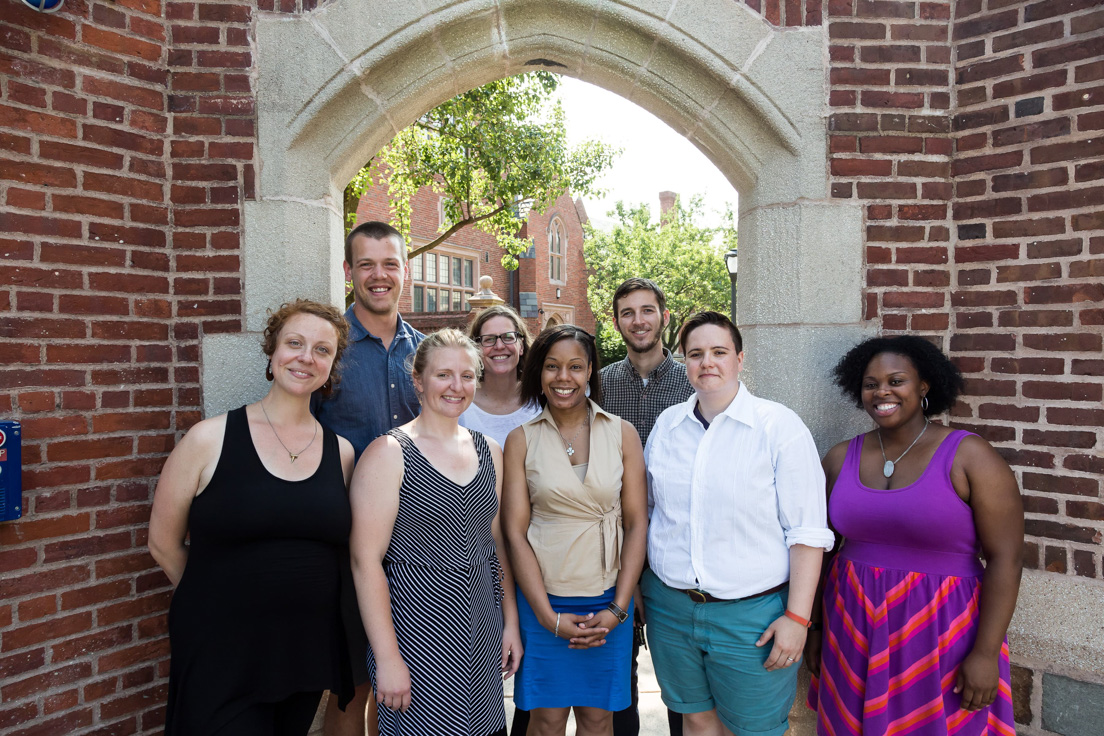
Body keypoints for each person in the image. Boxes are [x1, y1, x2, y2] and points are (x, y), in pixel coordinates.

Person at [149, 299, 356, 736]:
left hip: (303, 649)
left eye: (322, 350)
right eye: (294, 343)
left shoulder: (341, 452)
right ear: (272, 352)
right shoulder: (209, 438)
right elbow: (163, 543)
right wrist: (219, 601)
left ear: (332, 366)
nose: (306, 357)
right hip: (221, 647)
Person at [806, 335, 1023, 735]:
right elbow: (819, 551)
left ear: (924, 387)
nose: (881, 392)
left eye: (896, 380)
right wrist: (815, 628)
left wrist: (986, 652)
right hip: (853, 626)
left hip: (942, 628)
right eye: (870, 384)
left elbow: (1006, 558)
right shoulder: (840, 457)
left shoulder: (969, 455)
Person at [642, 311, 833, 736]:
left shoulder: (778, 427)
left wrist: (799, 619)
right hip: (671, 608)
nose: (707, 362)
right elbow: (652, 513)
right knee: (696, 721)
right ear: (684, 361)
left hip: (752, 617)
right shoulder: (667, 426)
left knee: (755, 730)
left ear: (740, 359)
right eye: (695, 354)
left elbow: (807, 533)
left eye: (718, 352)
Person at [349, 328, 522, 736]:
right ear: (418, 380)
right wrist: (388, 657)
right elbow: (364, 562)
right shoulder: (389, 453)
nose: (456, 386)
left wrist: (509, 622)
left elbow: (496, 548)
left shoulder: (488, 451)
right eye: (444, 375)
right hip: (415, 641)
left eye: (467, 376)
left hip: (480, 635)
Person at [503, 325, 649, 736]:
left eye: (575, 367)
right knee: (546, 720)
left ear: (590, 372)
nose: (563, 377)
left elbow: (637, 523)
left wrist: (619, 608)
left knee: (597, 717)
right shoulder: (521, 440)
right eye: (551, 367)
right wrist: (549, 618)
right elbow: (515, 533)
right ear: (538, 373)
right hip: (543, 599)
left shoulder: (622, 433)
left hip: (608, 600)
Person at [315, 220, 426, 736]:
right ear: (348, 272)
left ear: (405, 269)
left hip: (421, 546)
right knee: (353, 690)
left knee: (408, 688)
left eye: (389, 264)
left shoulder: (426, 354)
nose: (378, 276)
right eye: (366, 265)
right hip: (347, 548)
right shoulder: (325, 348)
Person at [599, 278, 693, 736]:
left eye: (647, 310)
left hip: (676, 545)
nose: (638, 320)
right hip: (614, 547)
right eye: (628, 312)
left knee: (679, 678)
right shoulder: (600, 384)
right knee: (620, 676)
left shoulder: (692, 381)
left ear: (664, 316)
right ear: (616, 322)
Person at [460, 304, 540, 448]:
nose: (499, 346)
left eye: (508, 337)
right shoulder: (461, 406)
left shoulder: (541, 401)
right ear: (476, 348)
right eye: (489, 339)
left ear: (521, 346)